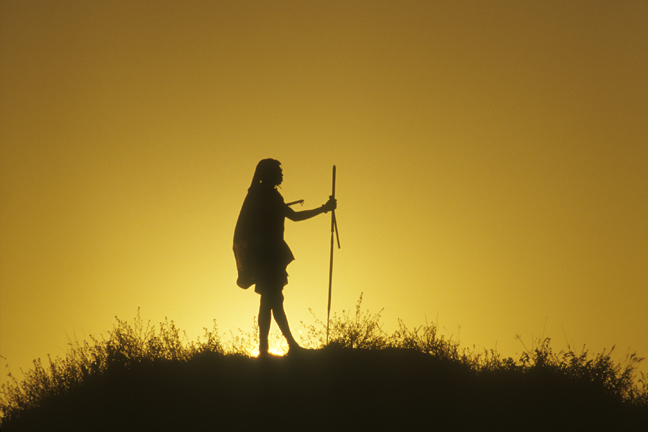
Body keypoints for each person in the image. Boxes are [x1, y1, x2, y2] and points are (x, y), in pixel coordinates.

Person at [233, 159, 336, 356]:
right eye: (278, 172)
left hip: (267, 256)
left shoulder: (261, 194)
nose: (281, 175)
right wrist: (324, 208)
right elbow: (294, 217)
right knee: (273, 300)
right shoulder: (268, 195)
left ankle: (271, 347)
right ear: (269, 174)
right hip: (269, 256)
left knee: (270, 301)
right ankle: (286, 346)